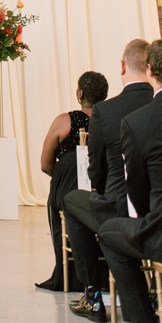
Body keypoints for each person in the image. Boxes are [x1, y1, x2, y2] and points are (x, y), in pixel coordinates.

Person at [98, 38, 162, 323]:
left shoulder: (136, 122)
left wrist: (147, 219)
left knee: (109, 233)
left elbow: (135, 187)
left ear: (149, 70)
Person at [64, 39, 154, 323]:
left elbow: (96, 169)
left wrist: (100, 191)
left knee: (72, 201)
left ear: (122, 66)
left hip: (119, 207)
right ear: (152, 69)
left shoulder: (107, 110)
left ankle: (92, 294)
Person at [36, 71, 107, 293]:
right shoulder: (109, 121)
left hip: (67, 186)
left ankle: (70, 275)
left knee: (61, 203)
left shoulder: (65, 120)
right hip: (101, 188)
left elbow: (45, 164)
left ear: (80, 93)